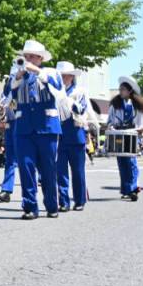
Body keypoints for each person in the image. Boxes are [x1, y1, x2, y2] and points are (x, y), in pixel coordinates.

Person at [10, 40, 64, 219]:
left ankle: (51, 205)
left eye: (32, 57)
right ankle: (30, 206)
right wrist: (18, 78)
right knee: (25, 168)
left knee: (48, 168)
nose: (28, 60)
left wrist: (38, 72)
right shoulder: (17, 74)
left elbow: (58, 90)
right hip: (24, 127)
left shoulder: (51, 72)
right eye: (26, 57)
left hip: (46, 127)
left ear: (40, 58)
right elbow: (9, 96)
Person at [55, 62, 90, 211]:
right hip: (58, 135)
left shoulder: (79, 91)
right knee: (60, 171)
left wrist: (73, 104)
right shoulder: (53, 91)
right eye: (61, 75)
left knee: (78, 171)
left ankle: (80, 200)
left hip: (75, 134)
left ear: (71, 76)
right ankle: (63, 201)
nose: (63, 78)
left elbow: (83, 110)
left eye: (66, 75)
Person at [109, 76, 143, 201]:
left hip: (131, 134)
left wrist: (140, 129)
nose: (120, 91)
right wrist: (111, 126)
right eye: (119, 89)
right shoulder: (115, 104)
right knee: (121, 162)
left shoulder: (137, 106)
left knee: (131, 162)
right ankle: (126, 189)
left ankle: (133, 188)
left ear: (129, 91)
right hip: (119, 134)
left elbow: (141, 123)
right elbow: (110, 120)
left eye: (123, 89)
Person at [0, 77, 19, 203]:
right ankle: (6, 190)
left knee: (32, 160)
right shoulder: (7, 87)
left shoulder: (23, 83)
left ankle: (47, 185)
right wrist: (1, 112)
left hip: (22, 124)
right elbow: (1, 113)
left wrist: (10, 104)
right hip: (10, 125)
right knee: (10, 160)